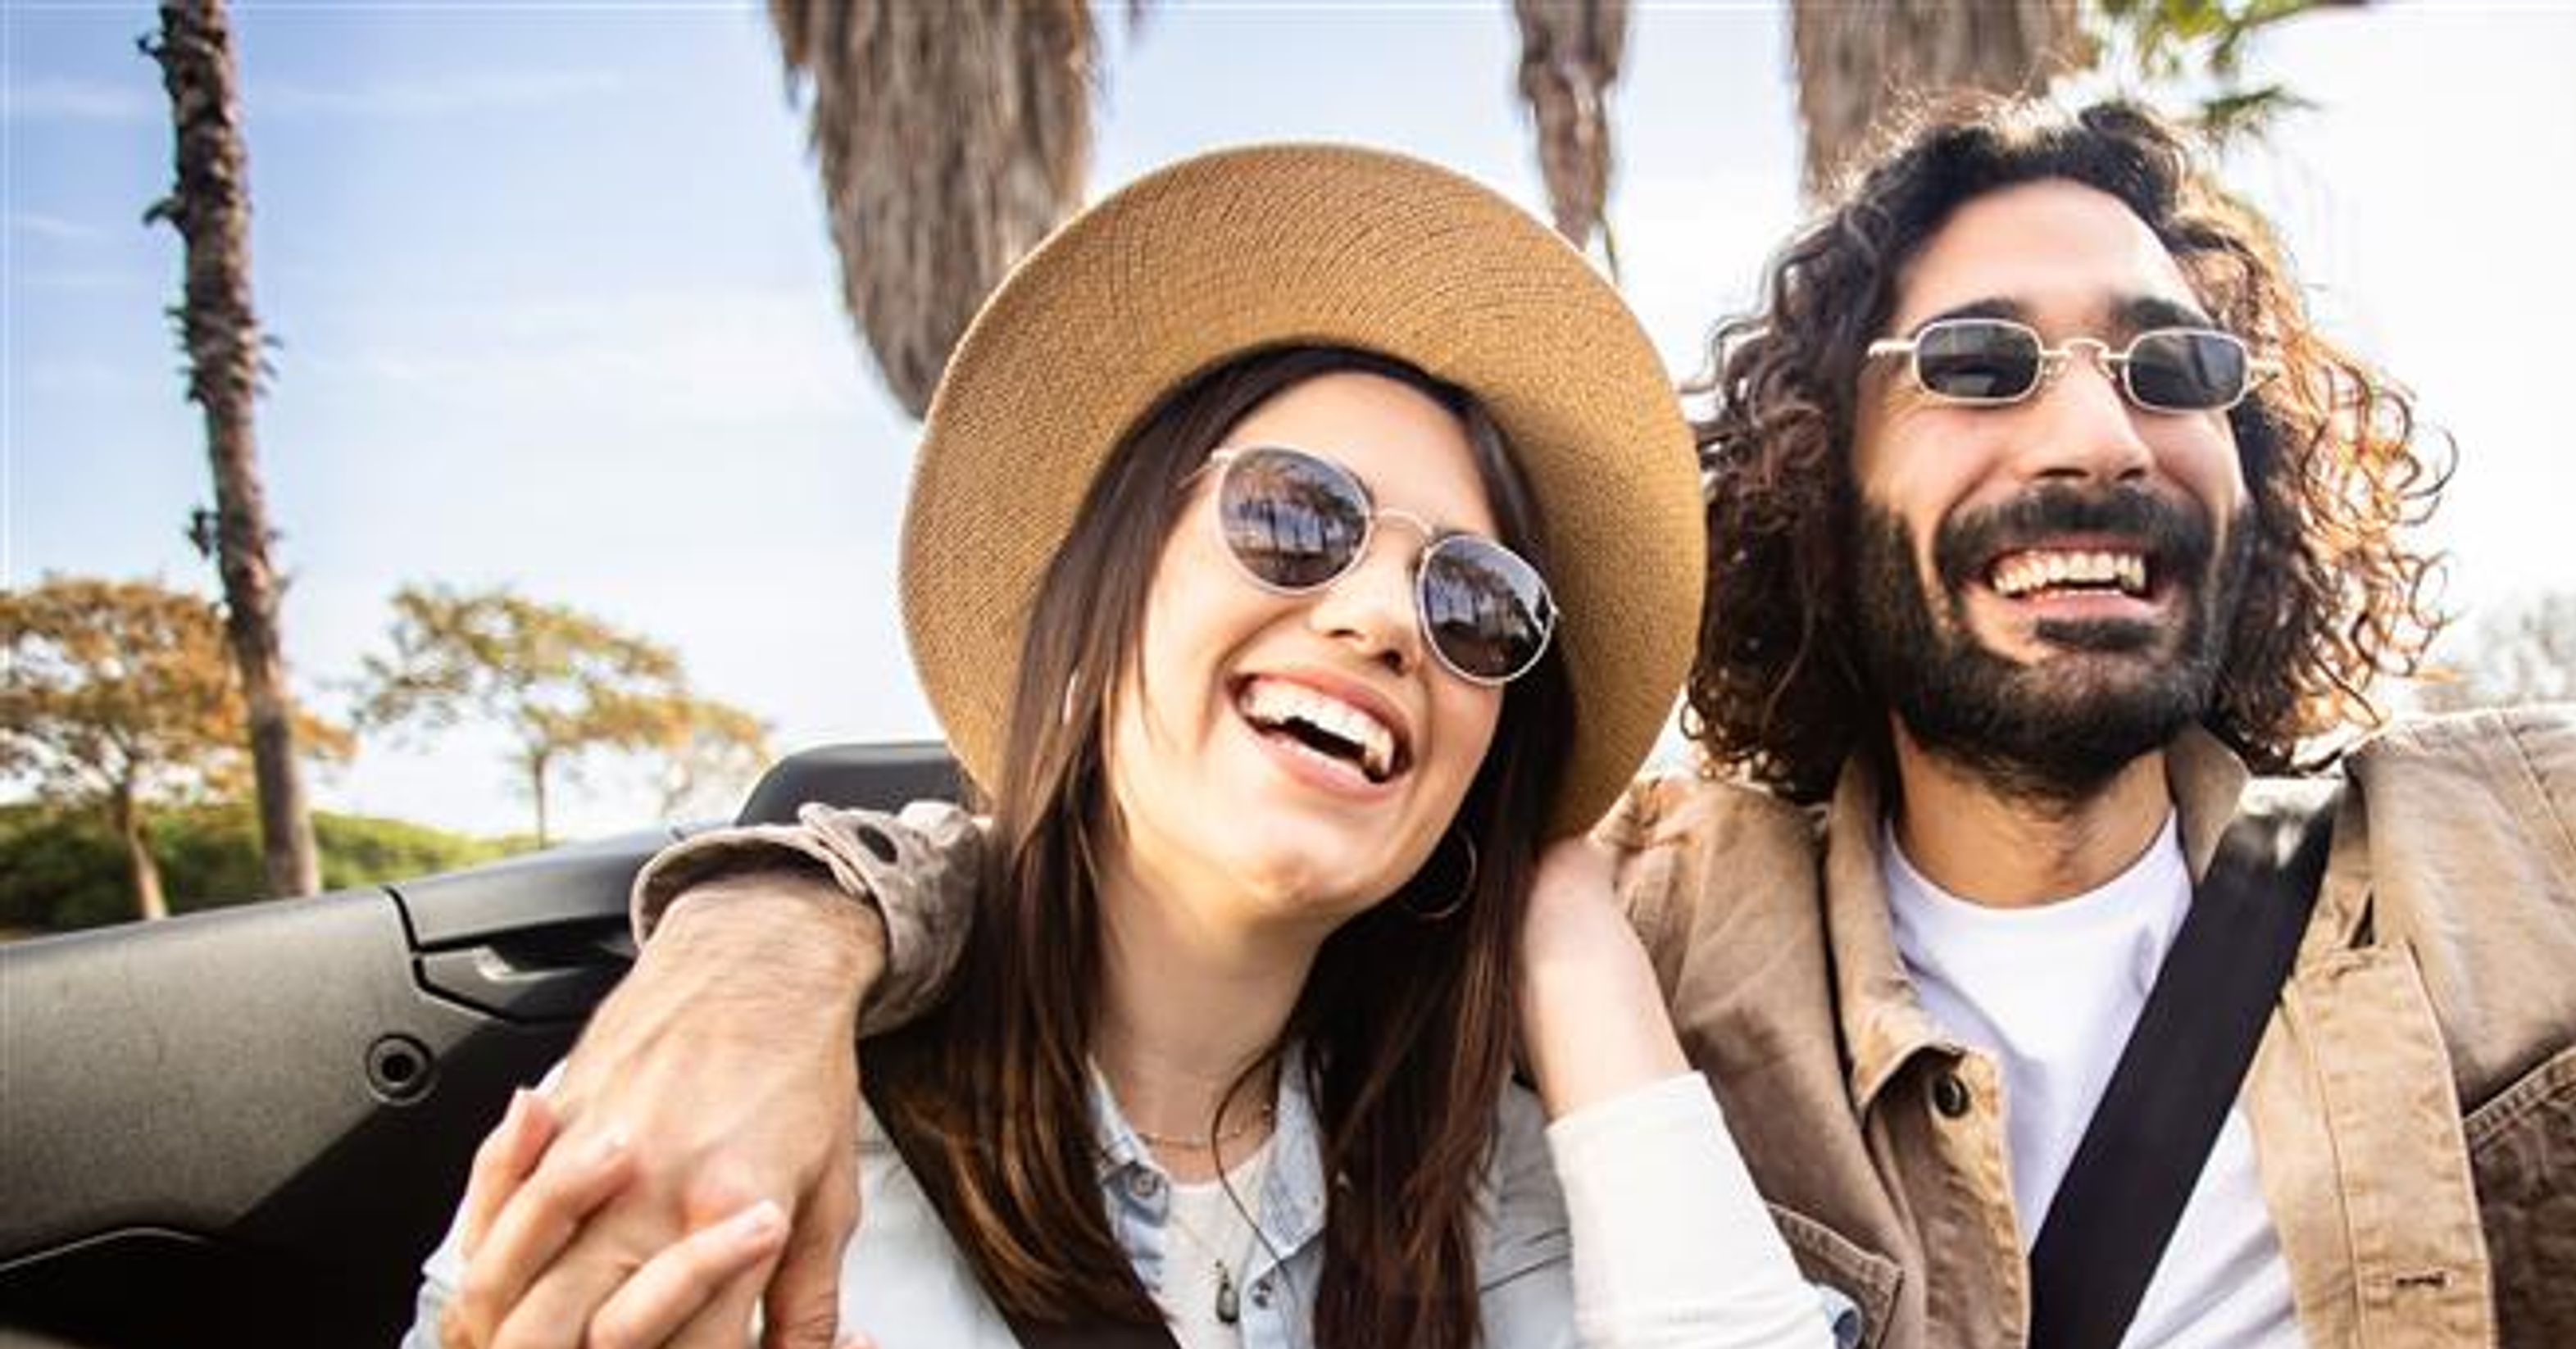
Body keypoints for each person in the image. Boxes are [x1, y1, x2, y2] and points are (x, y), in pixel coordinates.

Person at [452, 100, 2576, 1349]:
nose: (2091, 426)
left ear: (2252, 462)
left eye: (2172, 365)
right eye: (1976, 361)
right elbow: (1143, 859)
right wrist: (772, 939)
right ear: (1824, 474)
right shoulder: (1636, 917)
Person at [409, 143, 1851, 1349]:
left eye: (1475, 604)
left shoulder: (1500, 1204)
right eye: (1297, 517)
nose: (1380, 621)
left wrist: (1566, 923)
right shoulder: (756, 1140)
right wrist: (766, 935)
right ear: (1096, 603)